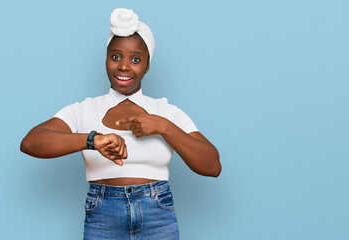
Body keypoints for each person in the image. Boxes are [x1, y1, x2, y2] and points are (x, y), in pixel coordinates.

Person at [20, 8, 221, 240]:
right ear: (106, 59)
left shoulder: (165, 112)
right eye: (116, 57)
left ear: (147, 65)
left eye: (135, 59)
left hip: (158, 217)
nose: (124, 66)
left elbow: (212, 166)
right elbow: (31, 142)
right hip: (103, 218)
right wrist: (92, 140)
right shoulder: (86, 109)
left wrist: (164, 127)